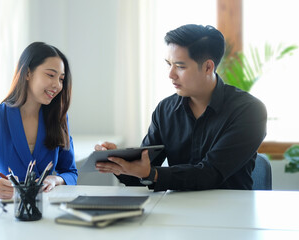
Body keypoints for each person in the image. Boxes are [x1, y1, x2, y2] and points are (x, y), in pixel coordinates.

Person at [95, 24, 267, 191]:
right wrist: (121, 163)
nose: (171, 74)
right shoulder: (165, 110)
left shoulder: (249, 111)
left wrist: (151, 173)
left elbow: (210, 173)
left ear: (208, 67)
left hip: (230, 213)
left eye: (180, 66)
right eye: (168, 64)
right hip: (177, 209)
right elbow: (144, 173)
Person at [0, 42, 78, 199]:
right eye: (50, 75)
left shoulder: (59, 118)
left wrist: (57, 179)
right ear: (27, 73)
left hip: (45, 209)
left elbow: (70, 172)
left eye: (61, 79)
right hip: (4, 211)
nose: (57, 85)